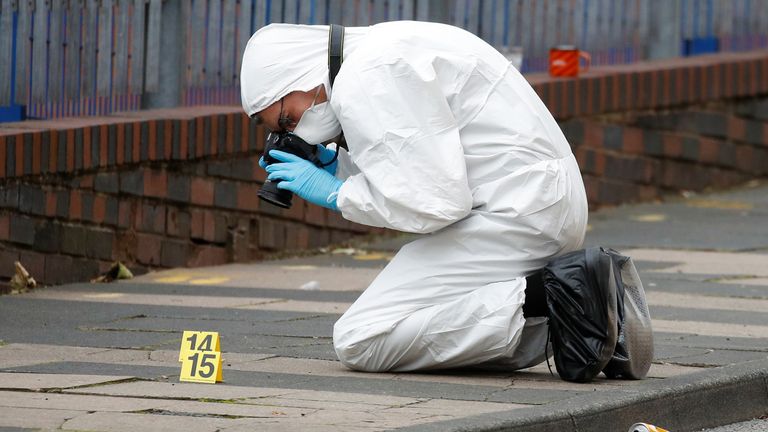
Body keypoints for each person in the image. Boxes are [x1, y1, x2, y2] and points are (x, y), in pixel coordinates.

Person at [240, 21, 588, 372]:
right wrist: (340, 168)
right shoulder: (384, 49)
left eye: (287, 119)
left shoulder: (367, 75)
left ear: (299, 75)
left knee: (361, 338)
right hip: (537, 206)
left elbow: (436, 203)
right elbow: (418, 164)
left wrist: (337, 193)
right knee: (426, 321)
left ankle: (564, 298)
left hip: (517, 217)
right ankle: (584, 320)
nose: (294, 132)